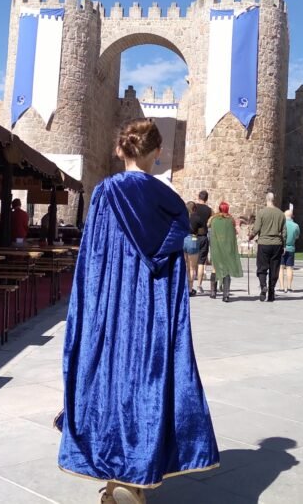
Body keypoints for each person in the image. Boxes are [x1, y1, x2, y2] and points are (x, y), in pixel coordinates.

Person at [56, 118, 219, 504]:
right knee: (148, 383)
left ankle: (117, 477)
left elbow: (92, 259)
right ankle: (133, 477)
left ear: (120, 149)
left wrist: (89, 310)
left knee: (108, 379)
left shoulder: (105, 192)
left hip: (112, 307)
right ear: (157, 153)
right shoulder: (172, 202)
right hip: (152, 310)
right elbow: (175, 261)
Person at [248, 192, 285, 302]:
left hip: (264, 243)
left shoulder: (262, 213)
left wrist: (250, 236)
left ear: (266, 199)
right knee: (275, 268)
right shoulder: (281, 214)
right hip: (277, 244)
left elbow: (257, 228)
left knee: (262, 267)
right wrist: (284, 244)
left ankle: (263, 285)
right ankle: (272, 292)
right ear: (274, 200)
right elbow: (284, 231)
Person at [208, 202, 242, 302]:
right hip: (227, 248)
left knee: (215, 268)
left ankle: (213, 292)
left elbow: (210, 229)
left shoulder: (213, 220)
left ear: (219, 209)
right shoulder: (231, 220)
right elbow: (235, 232)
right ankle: (225, 295)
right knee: (226, 270)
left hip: (216, 247)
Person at [191, 190, 213, 294]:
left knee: (190, 263)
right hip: (203, 236)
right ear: (207, 199)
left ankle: (190, 285)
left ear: (198, 197)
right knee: (201, 262)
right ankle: (199, 285)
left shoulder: (193, 208)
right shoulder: (209, 210)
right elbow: (210, 223)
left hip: (193, 236)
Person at [279, 209, 301, 293]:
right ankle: (289, 286)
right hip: (291, 248)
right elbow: (297, 236)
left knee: (280, 268)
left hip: (281, 248)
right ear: (292, 216)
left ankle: (281, 286)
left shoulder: (281, 224)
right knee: (289, 268)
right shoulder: (296, 226)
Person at [183, 201, 201, 296]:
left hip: (183, 239)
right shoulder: (196, 218)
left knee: (185, 265)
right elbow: (203, 229)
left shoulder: (182, 217)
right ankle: (190, 288)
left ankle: (184, 287)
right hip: (193, 239)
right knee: (192, 267)